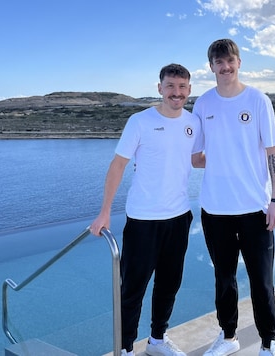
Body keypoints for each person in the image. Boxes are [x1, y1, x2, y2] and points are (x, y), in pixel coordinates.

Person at [90, 63, 200, 356]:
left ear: (189, 90)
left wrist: (236, 156)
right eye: (170, 86)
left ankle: (157, 340)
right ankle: (125, 348)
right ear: (160, 88)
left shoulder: (193, 123)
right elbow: (118, 166)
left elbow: (193, 158)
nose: (176, 93)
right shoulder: (139, 121)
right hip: (143, 220)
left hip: (179, 217)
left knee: (169, 284)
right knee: (133, 290)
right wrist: (104, 211)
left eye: (182, 87)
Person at [191, 39, 275, 356]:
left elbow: (273, 152)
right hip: (215, 209)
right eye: (219, 62)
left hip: (254, 209)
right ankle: (228, 337)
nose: (225, 66)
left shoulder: (258, 101)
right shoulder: (203, 104)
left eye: (230, 60)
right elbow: (194, 156)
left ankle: (268, 343)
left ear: (239, 62)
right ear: (211, 66)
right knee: (224, 279)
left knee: (262, 281)